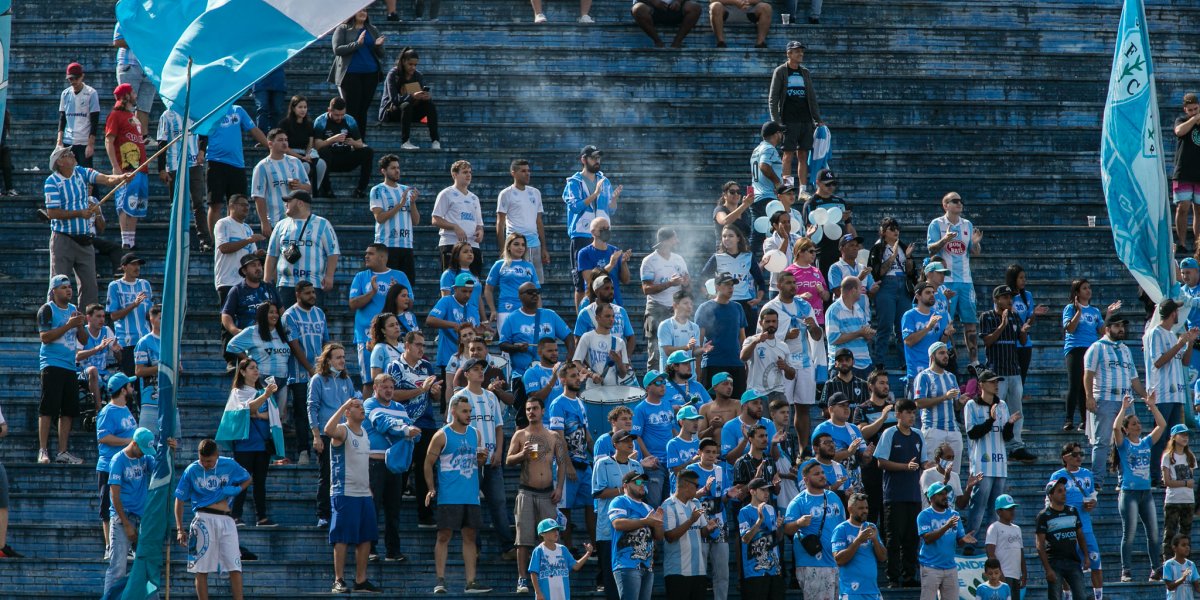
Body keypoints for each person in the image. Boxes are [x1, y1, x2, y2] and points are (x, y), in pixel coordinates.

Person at [44, 146, 131, 307]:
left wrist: (121, 178)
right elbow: (52, 213)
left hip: (84, 239)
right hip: (63, 238)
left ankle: (86, 325)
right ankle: (54, 321)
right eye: (67, 154)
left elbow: (105, 179)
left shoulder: (82, 172)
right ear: (60, 162)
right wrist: (79, 213)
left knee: (90, 286)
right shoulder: (52, 182)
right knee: (58, 283)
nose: (72, 155)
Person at [425, 395, 494, 594]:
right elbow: (428, 463)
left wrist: (482, 460)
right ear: (453, 412)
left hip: (471, 494)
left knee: (470, 536)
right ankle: (440, 580)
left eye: (470, 411)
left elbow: (477, 463)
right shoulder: (442, 435)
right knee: (444, 535)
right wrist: (431, 488)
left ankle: (471, 582)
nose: (469, 415)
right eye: (465, 411)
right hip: (449, 494)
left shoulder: (475, 434)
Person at [452, 358, 517, 558]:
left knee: (498, 502)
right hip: (469, 463)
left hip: (492, 461)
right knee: (472, 504)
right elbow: (452, 429)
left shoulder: (490, 397)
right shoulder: (459, 398)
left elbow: (498, 427)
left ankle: (507, 547)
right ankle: (475, 548)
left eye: (482, 369)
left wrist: (499, 452)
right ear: (466, 373)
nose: (480, 372)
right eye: (476, 369)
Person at [174, 439, 252, 600]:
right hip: (202, 519)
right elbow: (179, 500)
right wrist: (180, 529)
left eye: (209, 461)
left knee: (235, 566)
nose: (205, 464)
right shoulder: (192, 470)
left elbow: (248, 478)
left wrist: (238, 488)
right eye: (202, 460)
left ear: (217, 455)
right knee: (200, 568)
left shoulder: (229, 464)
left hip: (226, 520)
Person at [508, 396, 568, 594]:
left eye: (534, 408)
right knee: (523, 538)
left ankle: (551, 575)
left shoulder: (553, 436)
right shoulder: (520, 435)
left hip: (547, 493)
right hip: (526, 491)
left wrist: (559, 488)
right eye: (527, 409)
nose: (531, 412)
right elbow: (508, 460)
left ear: (543, 411)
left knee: (551, 537)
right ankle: (522, 579)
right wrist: (521, 455)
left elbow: (562, 463)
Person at [322, 397, 381, 593]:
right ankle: (338, 580)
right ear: (348, 412)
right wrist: (342, 406)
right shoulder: (343, 431)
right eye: (356, 407)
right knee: (342, 537)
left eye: (362, 406)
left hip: (364, 493)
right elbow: (328, 430)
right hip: (344, 492)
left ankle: (361, 580)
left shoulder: (365, 433)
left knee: (366, 537)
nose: (361, 409)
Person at [385, 331, 441, 526]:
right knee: (402, 470)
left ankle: (425, 515)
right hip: (403, 425)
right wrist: (422, 390)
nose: (421, 349)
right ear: (406, 346)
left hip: (426, 424)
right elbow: (393, 395)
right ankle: (392, 517)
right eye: (417, 345)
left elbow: (433, 398)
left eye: (423, 345)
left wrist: (434, 392)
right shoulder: (394, 366)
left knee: (425, 470)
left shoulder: (426, 366)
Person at [1085, 313, 1146, 488]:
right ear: (1107, 328)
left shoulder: (1125, 349)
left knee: (1129, 440)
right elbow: (1088, 374)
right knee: (1103, 441)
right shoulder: (1097, 347)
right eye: (1117, 326)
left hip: (1126, 399)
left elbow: (1134, 378)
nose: (1121, 329)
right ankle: (1097, 481)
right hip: (1105, 398)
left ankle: (1126, 478)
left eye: (1122, 326)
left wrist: (1145, 397)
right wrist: (1089, 396)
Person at [102, 428, 164, 597]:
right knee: (118, 568)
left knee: (147, 564)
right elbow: (114, 496)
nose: (143, 454)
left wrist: (169, 449)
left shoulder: (144, 457)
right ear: (134, 444)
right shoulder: (118, 461)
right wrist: (127, 525)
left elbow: (160, 466)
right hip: (122, 519)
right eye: (142, 450)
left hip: (142, 518)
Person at [362, 373, 417, 562]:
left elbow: (413, 430)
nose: (388, 391)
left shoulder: (400, 407)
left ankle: (393, 551)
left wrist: (408, 430)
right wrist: (404, 429)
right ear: (375, 388)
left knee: (393, 510)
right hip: (374, 464)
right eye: (384, 387)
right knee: (373, 507)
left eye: (391, 388)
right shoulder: (369, 404)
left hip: (394, 466)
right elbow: (383, 423)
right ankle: (370, 548)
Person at [1112, 393, 1167, 581]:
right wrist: (1124, 408)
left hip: (1146, 493)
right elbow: (1115, 428)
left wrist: (1152, 406)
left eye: (1138, 423)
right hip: (1129, 494)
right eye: (1133, 423)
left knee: (1153, 533)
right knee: (1130, 533)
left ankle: (1156, 569)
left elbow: (1162, 425)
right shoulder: (1124, 444)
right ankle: (1125, 570)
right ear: (1127, 429)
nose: (1138, 425)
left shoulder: (1145, 442)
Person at [979, 285, 1036, 462]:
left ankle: (1016, 445)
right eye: (1005, 297)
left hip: (1014, 369)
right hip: (997, 372)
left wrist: (1025, 331)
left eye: (1010, 297)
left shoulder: (1014, 315)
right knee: (996, 408)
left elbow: (1021, 339)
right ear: (996, 299)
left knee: (1016, 409)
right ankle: (997, 444)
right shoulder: (986, 316)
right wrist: (1002, 325)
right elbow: (987, 341)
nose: (1009, 300)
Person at [221, 359, 281, 527]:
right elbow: (246, 409)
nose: (256, 371)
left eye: (257, 368)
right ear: (242, 372)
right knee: (242, 480)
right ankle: (235, 515)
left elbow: (273, 415)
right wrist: (263, 398)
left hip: (262, 444)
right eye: (252, 368)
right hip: (244, 445)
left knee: (260, 482)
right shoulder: (238, 392)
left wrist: (258, 413)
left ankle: (261, 517)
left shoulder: (263, 391)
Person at [926, 191, 984, 365]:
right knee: (946, 322)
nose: (959, 203)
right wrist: (944, 239)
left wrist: (975, 243)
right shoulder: (937, 224)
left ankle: (974, 361)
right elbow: (931, 250)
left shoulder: (967, 224)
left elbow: (975, 252)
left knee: (970, 322)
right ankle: (945, 358)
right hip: (947, 280)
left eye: (961, 200)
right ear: (945, 205)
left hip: (966, 280)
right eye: (955, 201)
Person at [963, 370, 1018, 551]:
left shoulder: (1002, 405)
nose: (996, 385)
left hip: (1000, 464)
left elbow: (1006, 437)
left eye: (997, 381)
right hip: (981, 465)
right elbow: (972, 433)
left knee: (996, 509)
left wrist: (1009, 424)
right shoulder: (971, 405)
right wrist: (990, 420)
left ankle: (992, 546)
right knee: (978, 506)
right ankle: (970, 542)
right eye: (992, 382)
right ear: (981, 385)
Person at [307, 343, 361, 528]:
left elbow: (355, 403)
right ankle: (323, 514)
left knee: (346, 475)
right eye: (338, 357)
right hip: (325, 434)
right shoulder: (318, 379)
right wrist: (316, 436)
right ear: (328, 360)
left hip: (345, 435)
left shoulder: (347, 380)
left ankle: (342, 512)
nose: (342, 361)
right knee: (327, 475)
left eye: (343, 357)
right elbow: (312, 407)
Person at [873, 398, 924, 587]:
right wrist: (905, 466)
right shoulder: (889, 433)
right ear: (898, 415)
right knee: (894, 538)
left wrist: (937, 467)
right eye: (908, 413)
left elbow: (923, 462)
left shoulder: (918, 435)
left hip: (913, 495)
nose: (912, 417)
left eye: (914, 413)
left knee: (912, 537)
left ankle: (909, 576)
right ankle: (893, 578)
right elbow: (881, 462)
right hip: (893, 496)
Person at [38, 274, 88, 465]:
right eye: (63, 287)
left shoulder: (74, 309)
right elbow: (45, 337)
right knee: (48, 408)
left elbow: (83, 340)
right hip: (51, 364)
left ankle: (62, 451)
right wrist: (69, 325)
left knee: (68, 410)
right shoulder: (47, 309)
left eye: (70, 287)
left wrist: (80, 325)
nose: (69, 290)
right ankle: (43, 450)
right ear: (54, 290)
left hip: (69, 365)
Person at [563, 145, 621, 306]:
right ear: (584, 160)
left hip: (602, 235)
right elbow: (575, 207)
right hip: (582, 234)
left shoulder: (605, 180)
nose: (597, 161)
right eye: (593, 158)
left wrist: (614, 201)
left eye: (598, 158)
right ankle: (581, 320)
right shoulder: (573, 183)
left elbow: (611, 210)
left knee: (604, 278)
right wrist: (594, 194)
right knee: (581, 282)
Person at [201, 102, 269, 239]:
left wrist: (270, 146)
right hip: (216, 162)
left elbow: (253, 129)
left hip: (237, 164)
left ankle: (233, 237)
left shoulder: (238, 110)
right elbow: (202, 134)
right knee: (215, 204)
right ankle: (217, 242)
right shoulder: (210, 109)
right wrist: (201, 151)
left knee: (237, 204)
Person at [1146, 299, 1195, 484]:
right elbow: (1158, 362)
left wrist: (1189, 343)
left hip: (1177, 394)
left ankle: (1174, 475)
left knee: (1176, 438)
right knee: (1160, 436)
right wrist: (1179, 343)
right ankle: (1154, 476)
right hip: (1163, 393)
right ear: (1172, 313)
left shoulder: (1173, 335)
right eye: (1177, 311)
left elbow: (1185, 361)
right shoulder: (1155, 333)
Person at [349, 243, 412, 386]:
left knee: (394, 380)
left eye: (370, 253)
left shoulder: (399, 276)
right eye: (366, 253)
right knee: (369, 382)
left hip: (393, 336)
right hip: (366, 336)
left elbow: (410, 304)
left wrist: (395, 292)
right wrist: (372, 292)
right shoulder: (360, 277)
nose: (366, 256)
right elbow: (353, 304)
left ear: (382, 257)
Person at [265, 190, 341, 308]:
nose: (286, 204)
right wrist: (266, 279)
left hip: (312, 283)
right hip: (286, 284)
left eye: (289, 201)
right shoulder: (281, 225)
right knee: (284, 321)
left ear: (300, 203)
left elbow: (333, 252)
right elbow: (271, 254)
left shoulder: (322, 224)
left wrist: (329, 276)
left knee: (311, 318)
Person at [592, 429, 645, 599]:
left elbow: (641, 491)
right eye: (625, 440)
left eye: (632, 440)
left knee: (631, 578)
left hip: (633, 531)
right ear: (615, 444)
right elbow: (598, 492)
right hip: (609, 530)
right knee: (611, 578)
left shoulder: (636, 465)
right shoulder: (603, 463)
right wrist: (624, 491)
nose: (631, 443)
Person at [226, 302, 295, 428]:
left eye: (276, 312)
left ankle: (274, 445)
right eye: (271, 312)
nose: (275, 315)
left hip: (283, 380)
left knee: (278, 417)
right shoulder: (253, 331)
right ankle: (263, 443)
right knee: (262, 415)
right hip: (263, 378)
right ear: (263, 314)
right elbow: (232, 345)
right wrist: (249, 360)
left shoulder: (281, 332)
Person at [547, 363, 595, 547]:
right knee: (564, 509)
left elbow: (587, 435)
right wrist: (567, 465)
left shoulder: (580, 403)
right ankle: (566, 548)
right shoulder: (558, 404)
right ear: (563, 380)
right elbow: (558, 439)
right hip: (567, 466)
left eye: (578, 375)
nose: (578, 379)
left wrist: (597, 457)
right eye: (573, 376)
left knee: (592, 506)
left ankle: (595, 546)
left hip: (585, 463)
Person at [1048, 442, 1104, 596]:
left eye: (1081, 454)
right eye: (1074, 454)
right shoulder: (1057, 476)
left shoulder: (1087, 474)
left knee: (1096, 563)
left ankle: (1099, 597)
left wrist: (1092, 504)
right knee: (1067, 565)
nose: (1079, 457)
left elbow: (1092, 496)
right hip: (1065, 528)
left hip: (1085, 526)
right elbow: (1049, 500)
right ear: (1065, 457)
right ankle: (1068, 597)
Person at [784, 460, 846, 600]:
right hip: (812, 564)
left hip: (836, 563)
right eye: (817, 474)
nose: (822, 476)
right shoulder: (798, 502)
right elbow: (787, 529)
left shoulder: (833, 497)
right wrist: (799, 523)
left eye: (823, 472)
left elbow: (843, 526)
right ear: (805, 479)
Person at [768, 41, 823, 190]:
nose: (800, 54)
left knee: (803, 155)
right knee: (787, 155)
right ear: (789, 54)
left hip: (805, 119)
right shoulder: (780, 71)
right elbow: (773, 99)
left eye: (801, 51)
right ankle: (788, 189)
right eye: (797, 51)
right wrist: (776, 122)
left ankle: (803, 189)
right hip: (788, 120)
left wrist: (818, 119)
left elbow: (811, 97)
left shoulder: (805, 72)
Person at [281, 282, 325, 462]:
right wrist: (310, 368)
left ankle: (321, 450)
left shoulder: (320, 313)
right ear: (297, 294)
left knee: (321, 411)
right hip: (298, 374)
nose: (313, 296)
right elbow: (294, 345)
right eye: (308, 293)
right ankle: (303, 451)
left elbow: (325, 342)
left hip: (319, 372)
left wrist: (323, 368)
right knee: (301, 412)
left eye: (313, 292)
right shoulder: (289, 315)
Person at [104, 83, 150, 250]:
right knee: (125, 203)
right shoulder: (115, 115)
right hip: (126, 167)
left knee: (136, 204)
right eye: (132, 92)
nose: (135, 95)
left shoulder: (134, 117)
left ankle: (132, 240)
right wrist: (115, 167)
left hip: (140, 167)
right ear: (125, 96)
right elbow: (109, 141)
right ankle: (126, 242)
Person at [867, 217, 918, 369]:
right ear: (883, 232)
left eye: (897, 228)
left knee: (903, 326)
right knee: (885, 326)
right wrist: (892, 256)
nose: (896, 231)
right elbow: (878, 272)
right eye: (891, 228)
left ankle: (905, 361)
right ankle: (879, 362)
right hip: (886, 286)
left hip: (903, 286)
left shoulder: (902, 246)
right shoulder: (877, 248)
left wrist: (908, 256)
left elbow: (910, 271)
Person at [1063, 278, 1114, 431]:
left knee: (1087, 386)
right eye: (1084, 288)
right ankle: (1069, 419)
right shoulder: (1070, 308)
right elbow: (1070, 329)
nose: (1088, 290)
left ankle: (1085, 421)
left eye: (1089, 288)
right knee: (1074, 384)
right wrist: (1079, 311)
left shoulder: (1095, 311)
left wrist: (1108, 315)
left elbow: (1101, 331)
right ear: (1077, 292)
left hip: (1091, 350)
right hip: (1075, 348)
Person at [95, 373, 137, 557]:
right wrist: (128, 441)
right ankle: (109, 547)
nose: (133, 389)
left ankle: (126, 546)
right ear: (123, 390)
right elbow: (103, 437)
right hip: (109, 467)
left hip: (126, 467)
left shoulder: (126, 409)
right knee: (108, 507)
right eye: (130, 386)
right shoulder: (108, 412)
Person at [328, 10, 384, 142]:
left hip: (370, 74)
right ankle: (349, 140)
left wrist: (377, 46)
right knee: (352, 111)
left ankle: (360, 142)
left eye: (365, 10)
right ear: (353, 12)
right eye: (360, 10)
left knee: (363, 110)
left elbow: (382, 54)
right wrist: (357, 44)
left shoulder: (372, 29)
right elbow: (337, 49)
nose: (363, 12)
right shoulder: (343, 28)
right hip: (350, 74)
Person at [662, 469, 718, 599]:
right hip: (677, 571)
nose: (699, 489)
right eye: (696, 485)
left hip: (699, 570)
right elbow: (669, 536)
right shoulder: (668, 505)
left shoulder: (696, 503)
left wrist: (709, 528)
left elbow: (702, 532)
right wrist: (691, 520)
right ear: (687, 485)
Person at [609, 470, 664, 600]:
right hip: (626, 564)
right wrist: (645, 521)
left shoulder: (648, 508)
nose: (642, 485)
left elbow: (659, 536)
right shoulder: (619, 501)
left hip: (647, 565)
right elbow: (617, 524)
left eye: (643, 482)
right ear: (625, 485)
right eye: (637, 482)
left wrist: (659, 524)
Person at [221, 254, 281, 371]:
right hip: (249, 340)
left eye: (259, 265)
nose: (258, 268)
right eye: (253, 265)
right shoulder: (237, 290)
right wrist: (235, 331)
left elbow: (281, 311)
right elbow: (226, 315)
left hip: (271, 338)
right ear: (244, 270)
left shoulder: (270, 288)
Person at [918, 482, 976, 599]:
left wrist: (964, 539)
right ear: (932, 498)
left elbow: (959, 541)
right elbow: (927, 539)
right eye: (940, 494)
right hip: (930, 566)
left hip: (950, 567)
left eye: (945, 493)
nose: (945, 496)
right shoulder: (924, 515)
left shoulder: (954, 514)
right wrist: (946, 526)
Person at [702, 225, 767, 329]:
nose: (726, 239)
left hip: (745, 304)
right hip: (724, 302)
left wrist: (758, 299)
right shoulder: (717, 257)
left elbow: (760, 281)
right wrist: (709, 295)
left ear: (738, 238)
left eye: (730, 236)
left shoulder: (748, 256)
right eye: (724, 236)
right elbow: (702, 278)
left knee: (747, 340)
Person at [251, 128, 311, 239]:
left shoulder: (295, 162)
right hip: (275, 221)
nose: (284, 143)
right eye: (280, 140)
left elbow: (308, 188)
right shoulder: (262, 166)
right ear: (270, 144)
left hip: (298, 220)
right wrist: (264, 222)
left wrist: (300, 186)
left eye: (286, 140)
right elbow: (258, 196)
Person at [1036, 478, 1090, 600]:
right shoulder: (1043, 516)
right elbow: (1039, 545)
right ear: (1051, 495)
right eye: (1059, 491)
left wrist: (1086, 556)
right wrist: (1048, 569)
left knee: (1082, 596)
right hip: (1054, 563)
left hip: (1073, 561)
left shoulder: (1072, 511)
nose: (1064, 493)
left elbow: (1080, 536)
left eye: (1064, 490)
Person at [853, 369, 895, 524]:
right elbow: (862, 433)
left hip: (892, 466)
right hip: (872, 467)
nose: (886, 387)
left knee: (889, 516)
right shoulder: (862, 409)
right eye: (881, 383)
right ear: (871, 386)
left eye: (887, 383)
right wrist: (883, 417)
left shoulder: (894, 408)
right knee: (871, 513)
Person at [914, 342, 964, 473]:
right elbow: (919, 403)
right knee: (932, 473)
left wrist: (961, 402)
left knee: (954, 473)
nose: (946, 356)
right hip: (933, 429)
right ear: (932, 356)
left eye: (946, 353)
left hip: (953, 429)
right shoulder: (923, 376)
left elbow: (956, 406)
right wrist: (944, 397)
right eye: (941, 353)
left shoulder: (951, 377)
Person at [369, 154, 420, 281]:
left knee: (406, 287)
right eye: (392, 168)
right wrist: (400, 205)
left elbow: (416, 221)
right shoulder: (377, 190)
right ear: (383, 171)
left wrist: (412, 203)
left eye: (398, 167)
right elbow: (379, 218)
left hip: (406, 245)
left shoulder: (405, 190)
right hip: (386, 245)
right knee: (387, 287)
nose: (397, 170)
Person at [497, 159, 549, 281]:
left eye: (528, 170)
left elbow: (539, 221)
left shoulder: (535, 193)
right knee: (518, 282)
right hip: (516, 245)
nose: (527, 173)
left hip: (535, 244)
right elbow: (500, 223)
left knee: (536, 283)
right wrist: (502, 250)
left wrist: (544, 248)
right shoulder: (506, 194)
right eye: (523, 171)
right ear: (513, 173)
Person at [697, 273, 750, 392]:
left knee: (738, 405)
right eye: (726, 284)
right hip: (713, 363)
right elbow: (699, 343)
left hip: (736, 364)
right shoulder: (705, 308)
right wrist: (698, 370)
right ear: (716, 287)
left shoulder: (738, 307)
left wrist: (745, 362)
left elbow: (742, 339)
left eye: (732, 285)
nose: (731, 288)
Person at [380, 47, 441, 150]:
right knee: (406, 105)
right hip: (392, 111)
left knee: (430, 104)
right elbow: (394, 100)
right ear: (403, 61)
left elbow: (418, 98)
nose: (413, 67)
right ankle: (405, 141)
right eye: (410, 64)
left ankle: (435, 141)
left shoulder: (418, 75)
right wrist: (412, 96)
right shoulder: (394, 74)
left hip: (411, 112)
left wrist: (424, 97)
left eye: (415, 65)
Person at [313, 97, 374, 198]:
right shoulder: (320, 121)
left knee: (368, 152)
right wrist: (333, 139)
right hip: (329, 160)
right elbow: (317, 145)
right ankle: (327, 190)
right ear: (329, 110)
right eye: (337, 115)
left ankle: (360, 190)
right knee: (323, 152)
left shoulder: (350, 120)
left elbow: (360, 144)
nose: (340, 118)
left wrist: (353, 142)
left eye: (342, 114)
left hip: (346, 157)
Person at [631, 370, 676, 506]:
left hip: (671, 463)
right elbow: (636, 436)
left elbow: (672, 429)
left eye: (664, 382)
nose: (662, 385)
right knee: (654, 504)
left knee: (669, 504)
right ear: (648, 387)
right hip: (654, 465)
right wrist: (649, 457)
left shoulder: (667, 404)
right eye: (658, 382)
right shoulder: (641, 408)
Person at [902, 282, 954, 395]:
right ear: (918, 296)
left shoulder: (936, 315)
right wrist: (928, 327)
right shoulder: (909, 315)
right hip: (917, 372)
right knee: (916, 411)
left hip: (935, 371)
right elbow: (908, 341)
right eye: (927, 293)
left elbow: (939, 345)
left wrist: (946, 334)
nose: (932, 295)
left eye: (933, 292)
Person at [433, 160, 485, 273]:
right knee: (452, 281)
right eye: (465, 172)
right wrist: (455, 227)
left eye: (470, 172)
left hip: (472, 245)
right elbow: (435, 219)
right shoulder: (446, 193)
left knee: (473, 282)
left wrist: (480, 232)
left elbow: (479, 224)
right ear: (454, 174)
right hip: (452, 244)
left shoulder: (474, 198)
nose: (468, 175)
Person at [803, 169, 855, 277]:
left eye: (834, 184)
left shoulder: (840, 201)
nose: (831, 187)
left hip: (841, 250)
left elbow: (849, 226)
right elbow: (809, 230)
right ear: (818, 183)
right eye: (828, 184)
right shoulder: (811, 204)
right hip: (822, 251)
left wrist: (857, 244)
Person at [107, 253, 153, 377]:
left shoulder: (145, 284)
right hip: (127, 342)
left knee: (148, 382)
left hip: (145, 339)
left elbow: (149, 314)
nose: (137, 267)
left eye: (138, 264)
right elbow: (114, 316)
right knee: (132, 381)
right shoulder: (115, 286)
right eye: (133, 264)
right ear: (124, 267)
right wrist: (134, 304)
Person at [214, 195, 265, 303]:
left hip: (245, 282)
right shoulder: (223, 223)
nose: (246, 208)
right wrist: (248, 240)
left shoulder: (247, 228)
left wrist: (259, 254)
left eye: (247, 205)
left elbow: (251, 255)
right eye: (242, 205)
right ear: (231, 206)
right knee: (228, 317)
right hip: (227, 281)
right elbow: (224, 248)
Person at [739, 477, 783, 599]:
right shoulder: (744, 511)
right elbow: (745, 539)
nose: (767, 493)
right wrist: (759, 521)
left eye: (768, 490)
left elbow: (778, 538)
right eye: (763, 490)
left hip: (774, 568)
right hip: (754, 570)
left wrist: (779, 527)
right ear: (752, 491)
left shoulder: (771, 509)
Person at [1005, 264, 1050, 383]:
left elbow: (1029, 321)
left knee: (1021, 377)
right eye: (1020, 277)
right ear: (1013, 278)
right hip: (1009, 340)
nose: (1024, 280)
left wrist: (1034, 314)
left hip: (1024, 342)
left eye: (1024, 277)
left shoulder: (1027, 295)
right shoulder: (1005, 295)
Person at [529, 518, 593, 600]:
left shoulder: (563, 549)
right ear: (542, 534)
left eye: (557, 530)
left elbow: (576, 566)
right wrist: (538, 593)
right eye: (552, 530)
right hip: (546, 596)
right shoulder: (539, 550)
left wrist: (588, 554)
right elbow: (533, 573)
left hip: (563, 595)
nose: (556, 533)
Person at [486, 233, 541, 329]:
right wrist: (493, 310)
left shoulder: (529, 266)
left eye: (523, 245)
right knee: (507, 342)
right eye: (516, 244)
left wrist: (539, 311)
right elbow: (488, 289)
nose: (520, 247)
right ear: (508, 247)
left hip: (527, 309)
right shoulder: (499, 264)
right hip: (505, 309)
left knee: (526, 341)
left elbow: (537, 292)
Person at [577, 217, 632, 308]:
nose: (606, 231)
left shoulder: (615, 250)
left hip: (615, 303)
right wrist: (611, 265)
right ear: (593, 232)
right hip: (594, 304)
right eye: (602, 229)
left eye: (608, 228)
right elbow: (589, 279)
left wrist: (623, 263)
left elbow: (626, 280)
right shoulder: (584, 253)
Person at [825, 277, 874, 379]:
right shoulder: (834, 310)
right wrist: (859, 333)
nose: (862, 291)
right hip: (844, 366)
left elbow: (864, 333)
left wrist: (868, 334)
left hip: (865, 364)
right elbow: (833, 338)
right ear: (853, 290)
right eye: (860, 289)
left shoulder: (858, 309)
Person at [277, 95, 327, 193]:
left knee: (321, 164)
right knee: (305, 166)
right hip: (290, 155)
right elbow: (285, 147)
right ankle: (296, 192)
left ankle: (312, 191)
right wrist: (301, 157)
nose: (303, 110)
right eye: (300, 107)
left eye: (305, 107)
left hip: (305, 154)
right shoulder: (285, 124)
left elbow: (310, 142)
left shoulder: (308, 124)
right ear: (293, 108)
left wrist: (307, 155)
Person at [573, 302, 631, 387]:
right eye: (607, 316)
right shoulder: (587, 337)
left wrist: (619, 361)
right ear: (597, 318)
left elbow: (622, 375)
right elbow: (576, 362)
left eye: (613, 316)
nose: (611, 319)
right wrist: (591, 374)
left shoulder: (620, 342)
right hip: (592, 393)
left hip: (613, 392)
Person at [111, 24, 154, 136]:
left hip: (149, 67)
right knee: (126, 104)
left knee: (144, 107)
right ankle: (125, 135)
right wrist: (140, 39)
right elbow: (117, 41)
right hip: (129, 65)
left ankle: (141, 137)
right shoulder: (126, 17)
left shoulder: (153, 18)